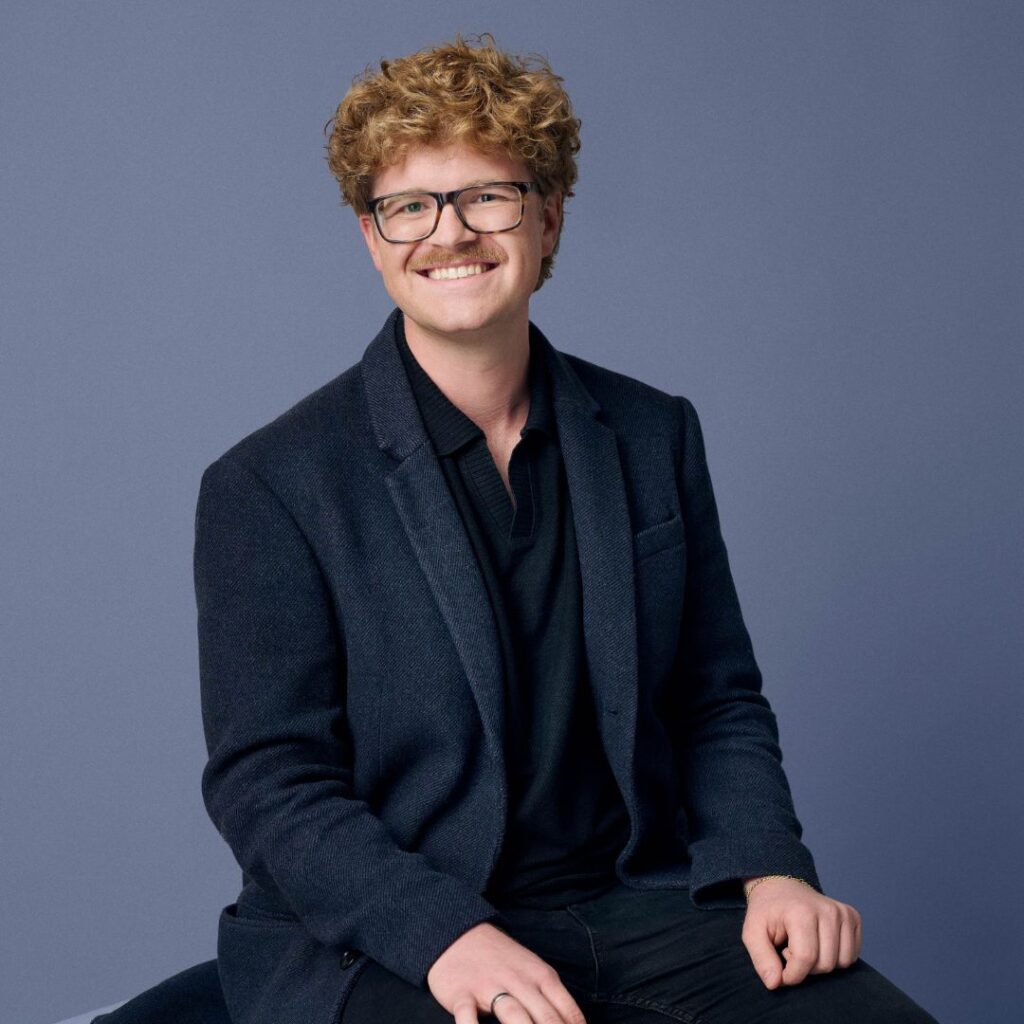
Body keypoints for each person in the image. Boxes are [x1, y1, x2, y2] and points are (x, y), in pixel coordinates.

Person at [94, 32, 939, 1024]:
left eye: (487, 196)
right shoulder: (269, 485)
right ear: (371, 236)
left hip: (634, 902)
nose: (448, 233)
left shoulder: (653, 433)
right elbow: (270, 783)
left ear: (548, 216)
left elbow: (714, 699)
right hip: (392, 931)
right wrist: (444, 935)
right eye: (410, 205)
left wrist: (770, 869)